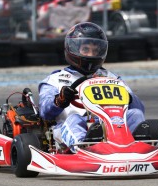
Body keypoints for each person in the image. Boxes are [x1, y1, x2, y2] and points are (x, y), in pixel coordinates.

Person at [38, 22, 145, 153]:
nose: (91, 55)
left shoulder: (111, 77)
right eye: (86, 49)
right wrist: (59, 100)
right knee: (73, 120)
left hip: (110, 124)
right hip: (68, 128)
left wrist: (129, 98)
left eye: (95, 50)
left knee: (135, 114)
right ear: (73, 49)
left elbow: (139, 109)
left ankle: (141, 148)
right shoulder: (56, 79)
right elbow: (44, 112)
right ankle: (85, 149)